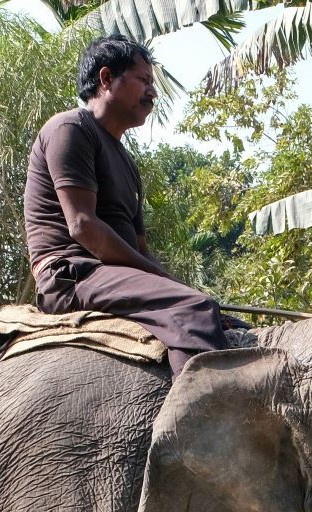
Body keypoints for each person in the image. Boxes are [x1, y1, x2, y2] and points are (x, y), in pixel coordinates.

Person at [23, 35, 230, 376]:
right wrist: (167, 281)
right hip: (71, 275)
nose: (153, 92)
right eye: (144, 80)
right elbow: (83, 227)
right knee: (194, 308)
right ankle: (196, 425)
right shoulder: (70, 129)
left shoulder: (128, 163)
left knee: (220, 317)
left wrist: (172, 281)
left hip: (109, 275)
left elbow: (140, 248)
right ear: (106, 79)